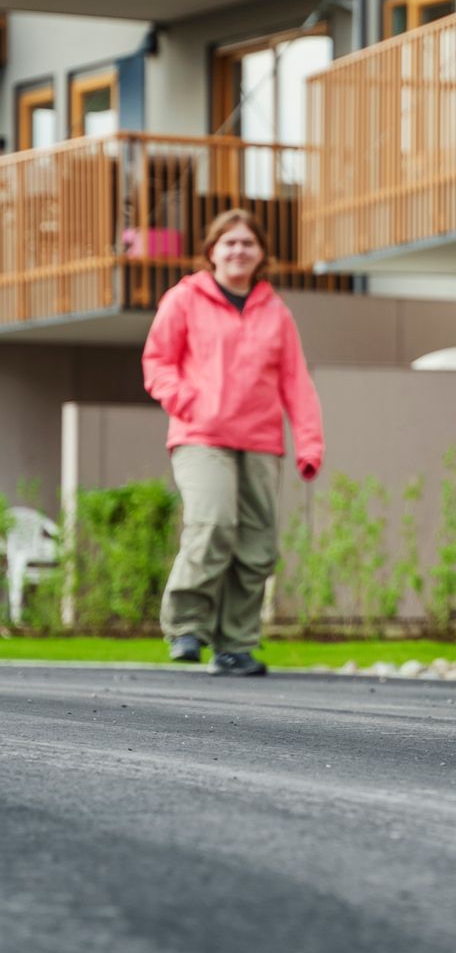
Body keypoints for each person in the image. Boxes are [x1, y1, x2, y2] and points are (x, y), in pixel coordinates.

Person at [142, 209, 324, 677]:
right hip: (200, 436)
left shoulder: (275, 312)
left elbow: (296, 384)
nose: (238, 250)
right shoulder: (184, 299)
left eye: (247, 243)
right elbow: (158, 362)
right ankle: (185, 626)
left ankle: (235, 644)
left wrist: (309, 444)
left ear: (261, 253)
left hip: (260, 441)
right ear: (212, 251)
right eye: (229, 243)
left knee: (257, 545)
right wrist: (186, 400)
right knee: (214, 522)